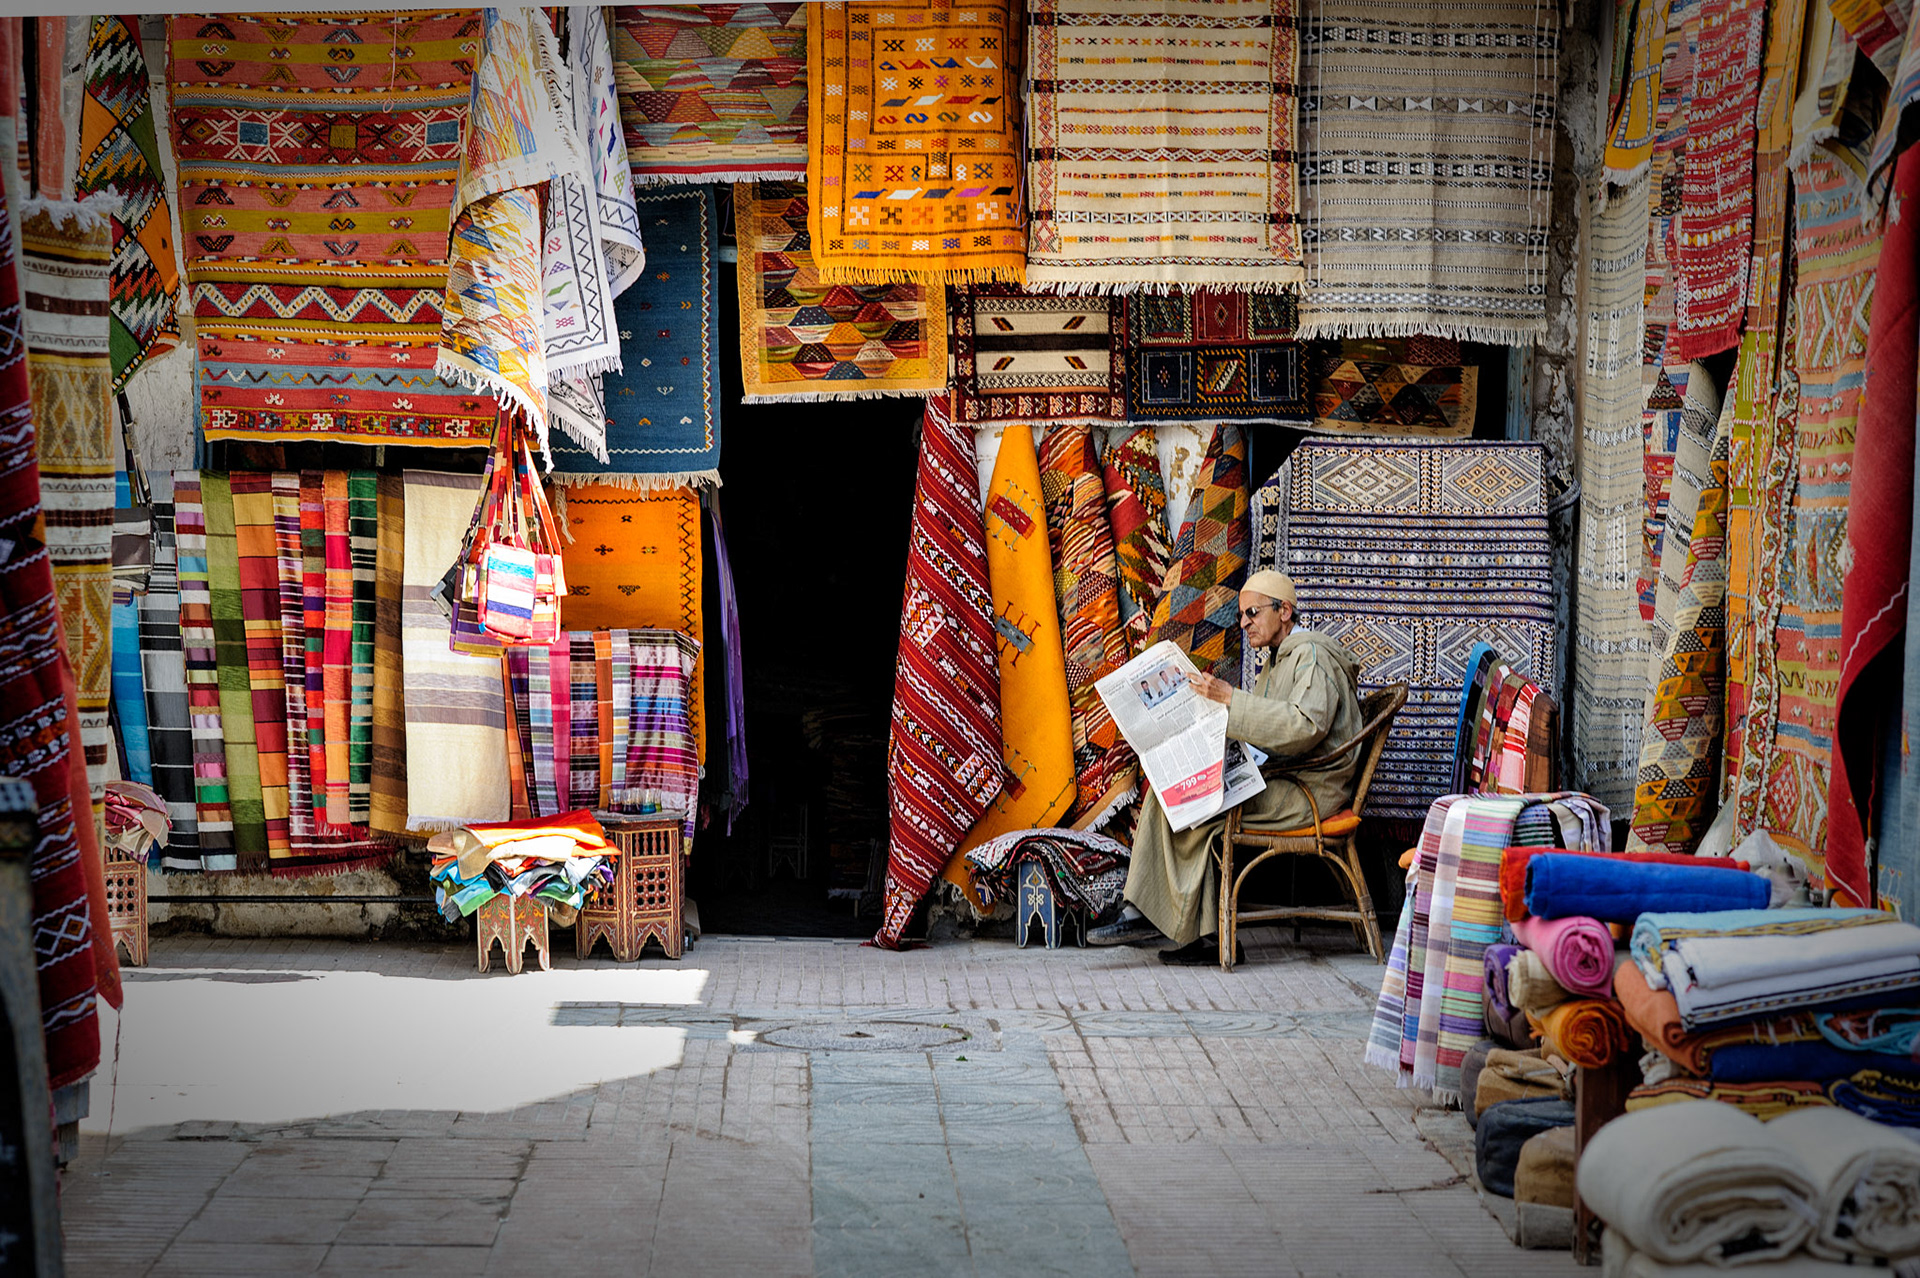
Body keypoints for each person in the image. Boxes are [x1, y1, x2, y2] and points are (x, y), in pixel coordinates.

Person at [1090, 569, 1367, 964]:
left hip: (1310, 790)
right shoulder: (1279, 661)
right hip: (1284, 777)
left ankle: (1166, 920)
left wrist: (1231, 701)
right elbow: (1263, 731)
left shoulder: (1311, 655)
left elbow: (1304, 726)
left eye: (1252, 613)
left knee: (1198, 807)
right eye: (1242, 615)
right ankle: (1189, 930)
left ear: (1284, 610)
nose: (1244, 623)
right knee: (1175, 788)